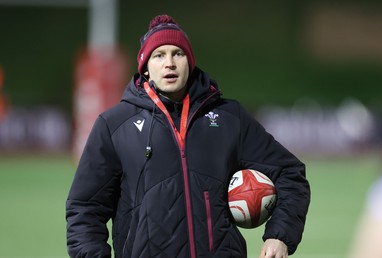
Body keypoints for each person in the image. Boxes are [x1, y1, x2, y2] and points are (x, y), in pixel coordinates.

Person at [66, 14, 310, 258]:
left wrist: (280, 236)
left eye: (178, 54)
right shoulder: (114, 125)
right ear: (146, 68)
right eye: (159, 55)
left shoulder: (228, 117)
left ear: (190, 62)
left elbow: (290, 174)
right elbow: (86, 208)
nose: (169, 63)